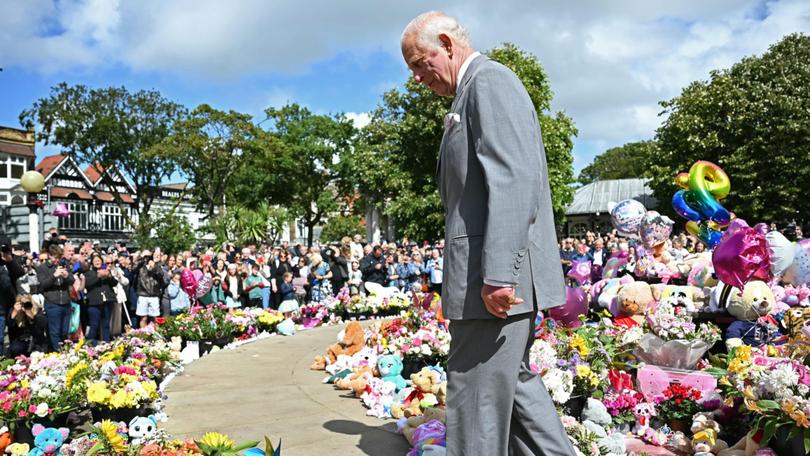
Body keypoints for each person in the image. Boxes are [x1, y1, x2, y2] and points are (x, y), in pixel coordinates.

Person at [401, 11, 574, 455]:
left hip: (491, 281)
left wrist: (499, 274)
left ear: (446, 42)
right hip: (485, 277)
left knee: (475, 393)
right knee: (509, 387)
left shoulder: (488, 82)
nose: (419, 77)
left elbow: (514, 179)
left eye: (421, 63)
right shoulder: (468, 94)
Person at [36, 244, 75, 351]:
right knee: (55, 331)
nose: (57, 260)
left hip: (66, 302)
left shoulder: (65, 265)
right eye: (55, 257)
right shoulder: (42, 268)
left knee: (64, 331)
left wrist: (67, 276)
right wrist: (54, 276)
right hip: (53, 303)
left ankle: (65, 352)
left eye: (59, 257)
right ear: (50, 256)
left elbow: (72, 281)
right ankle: (58, 353)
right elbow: (42, 285)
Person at [84, 254, 118, 343]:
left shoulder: (106, 271)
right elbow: (88, 284)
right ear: (92, 263)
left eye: (99, 260)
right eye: (95, 261)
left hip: (108, 301)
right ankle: (90, 344)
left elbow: (115, 283)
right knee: (94, 325)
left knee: (106, 324)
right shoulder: (89, 273)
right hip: (94, 302)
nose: (97, 262)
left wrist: (109, 276)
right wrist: (98, 276)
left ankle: (106, 344)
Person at [135, 250, 164, 329]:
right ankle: (143, 336)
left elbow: (161, 274)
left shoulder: (157, 265)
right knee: (143, 318)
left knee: (156, 319)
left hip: (154, 294)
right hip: (143, 294)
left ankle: (157, 338)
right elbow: (134, 268)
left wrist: (154, 266)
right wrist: (141, 257)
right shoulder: (141, 266)